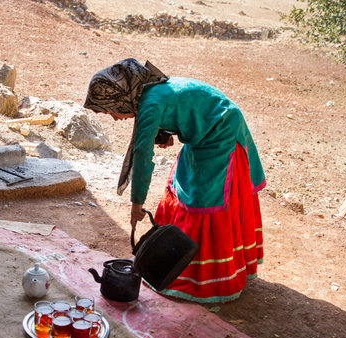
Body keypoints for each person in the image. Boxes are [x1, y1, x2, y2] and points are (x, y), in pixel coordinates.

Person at [84, 58, 266, 303]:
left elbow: (142, 158)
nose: (115, 118)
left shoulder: (149, 105)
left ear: (121, 98)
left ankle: (206, 279)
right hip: (202, 132)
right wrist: (167, 130)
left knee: (204, 199)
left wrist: (136, 204)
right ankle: (180, 264)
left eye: (110, 110)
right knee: (182, 185)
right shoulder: (148, 92)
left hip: (222, 130)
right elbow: (181, 106)